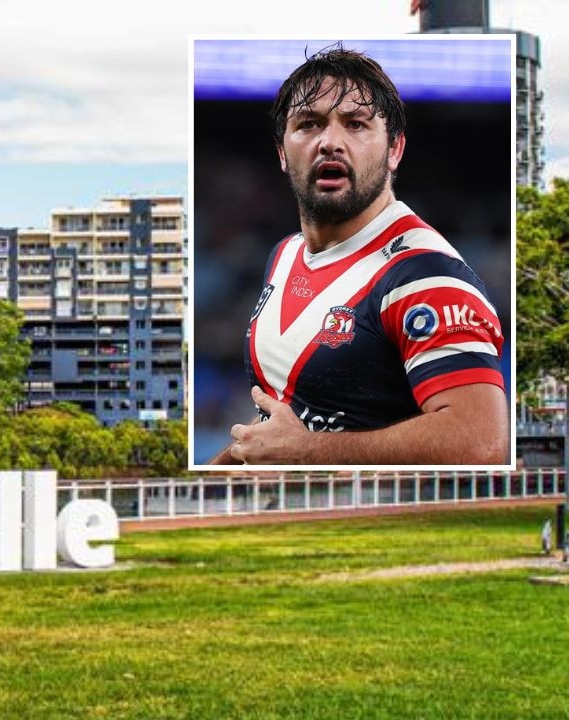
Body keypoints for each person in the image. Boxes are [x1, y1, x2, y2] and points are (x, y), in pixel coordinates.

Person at [209, 46, 508, 465]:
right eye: (309, 124)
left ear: (394, 150)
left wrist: (308, 452)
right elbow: (291, 420)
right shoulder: (286, 253)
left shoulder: (424, 274)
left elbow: (482, 443)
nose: (330, 142)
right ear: (281, 152)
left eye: (356, 124)